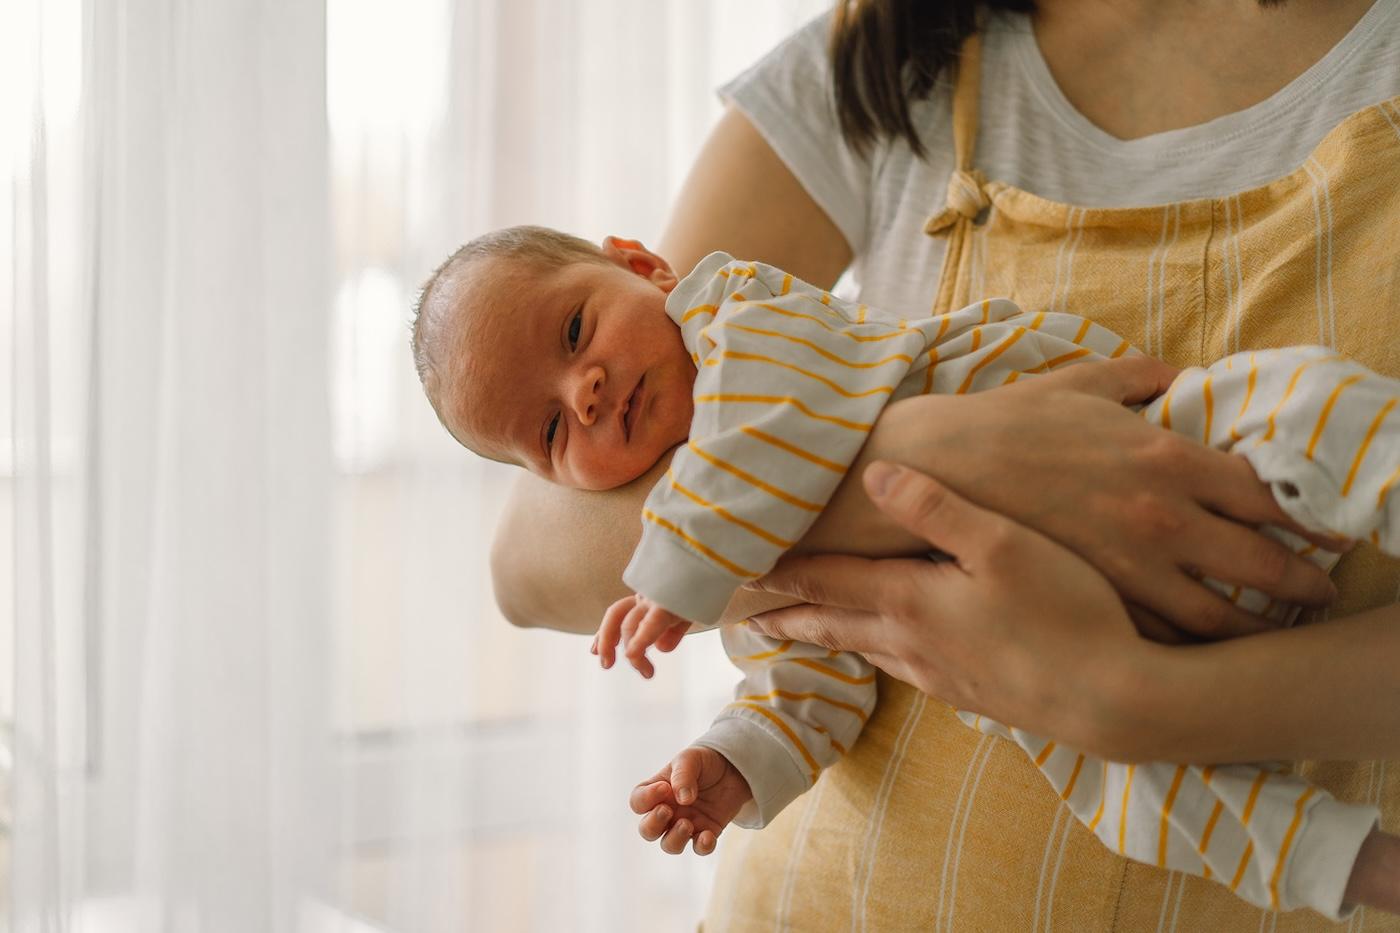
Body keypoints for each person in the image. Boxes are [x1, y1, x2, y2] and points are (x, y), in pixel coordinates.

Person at [489, 0, 1400, 928]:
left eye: (575, 332)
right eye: (554, 435)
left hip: (1184, 439)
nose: (586, 395)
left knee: (1309, 408)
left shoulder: (733, 317)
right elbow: (531, 570)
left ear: (649, 270)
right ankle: (1362, 865)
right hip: (876, 862)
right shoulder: (885, 51)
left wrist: (1152, 699)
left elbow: (773, 441)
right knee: (1141, 804)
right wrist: (736, 759)